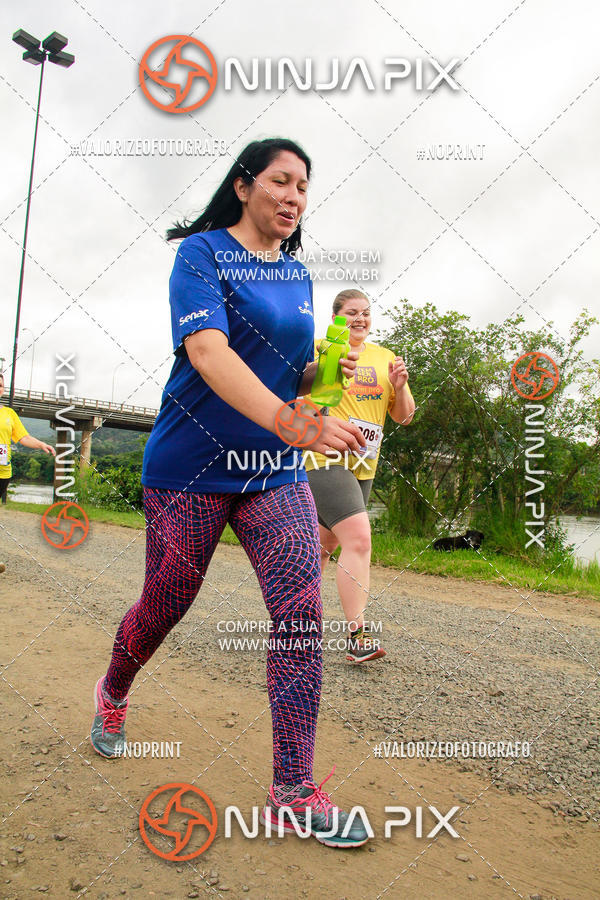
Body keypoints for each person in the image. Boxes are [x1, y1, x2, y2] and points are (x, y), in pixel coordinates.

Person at [90, 138, 371, 848]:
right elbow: (210, 353)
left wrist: (326, 376)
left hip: (271, 470)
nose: (294, 196)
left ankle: (292, 790)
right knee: (166, 602)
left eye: (304, 187)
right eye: (280, 181)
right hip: (190, 467)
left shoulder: (297, 276)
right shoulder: (202, 254)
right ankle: (115, 689)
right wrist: (295, 420)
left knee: (300, 609)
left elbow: (287, 373)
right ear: (244, 186)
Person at [304, 289, 415, 662]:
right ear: (336, 316)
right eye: (351, 312)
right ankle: (358, 636)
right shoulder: (321, 346)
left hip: (364, 465)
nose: (360, 319)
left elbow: (404, 415)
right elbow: (292, 392)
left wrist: (399, 388)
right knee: (360, 539)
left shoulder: (385, 358)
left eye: (365, 313)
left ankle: (295, 626)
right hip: (324, 457)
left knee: (321, 549)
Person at [0, 372, 56, 505]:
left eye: (0, 385)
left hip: (3, 472)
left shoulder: (9, 413)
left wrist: (41, 444)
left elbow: (23, 437)